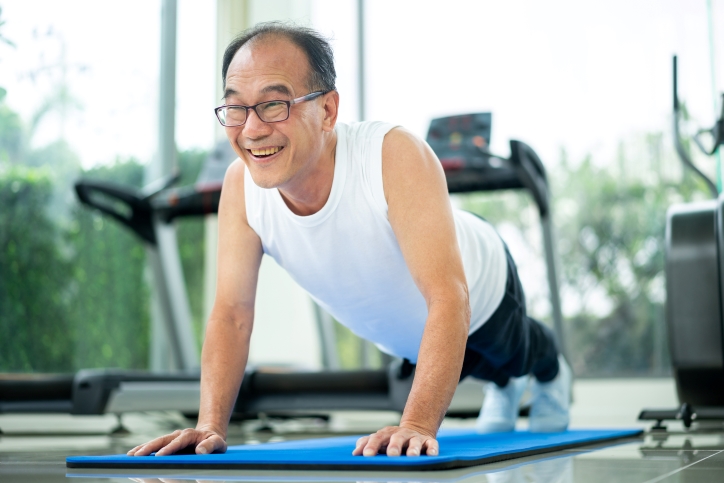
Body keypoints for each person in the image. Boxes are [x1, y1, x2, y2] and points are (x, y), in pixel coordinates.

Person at [127, 22, 571, 459]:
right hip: (409, 333)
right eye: (236, 108)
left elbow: (449, 297)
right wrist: (209, 426)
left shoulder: (393, 154)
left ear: (328, 110)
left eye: (274, 104)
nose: (251, 129)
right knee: (479, 368)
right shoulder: (240, 187)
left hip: (483, 285)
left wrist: (415, 425)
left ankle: (552, 373)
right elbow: (231, 314)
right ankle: (504, 387)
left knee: (512, 353)